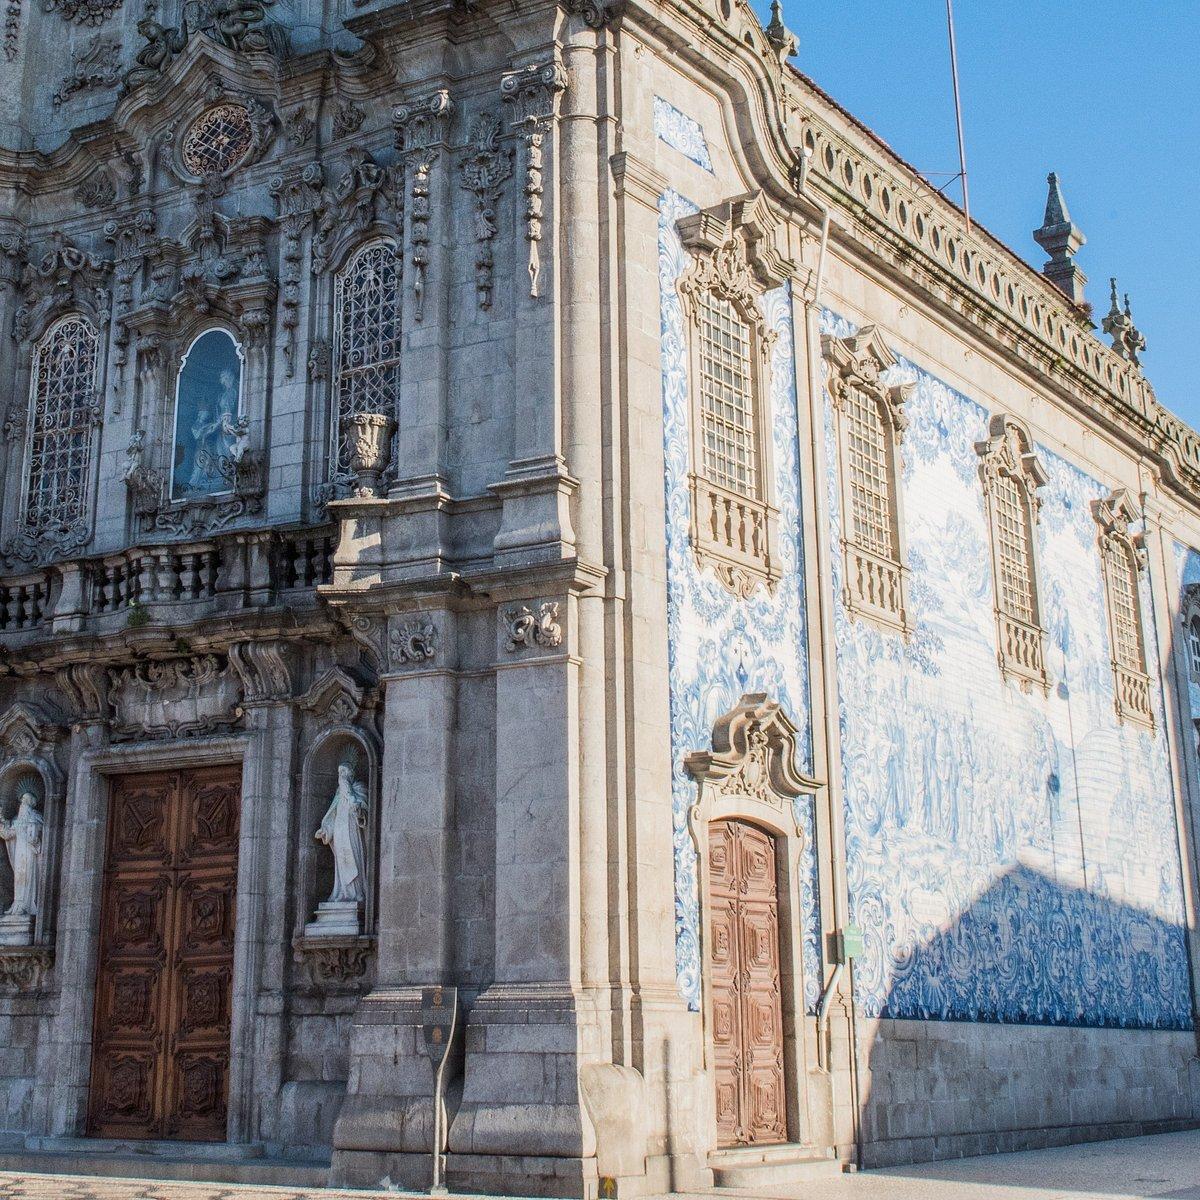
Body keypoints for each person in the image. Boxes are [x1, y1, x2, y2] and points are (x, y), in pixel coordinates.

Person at [315, 753, 368, 906]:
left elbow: (363, 810)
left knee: (355, 858)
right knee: (342, 863)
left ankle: (357, 893)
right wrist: (326, 830)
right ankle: (342, 892)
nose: (341, 776)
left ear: (351, 773)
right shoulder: (339, 794)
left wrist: (358, 808)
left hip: (353, 831)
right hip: (339, 832)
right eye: (339, 773)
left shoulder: (359, 788)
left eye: (344, 772)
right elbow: (333, 814)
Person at [0, 789, 43, 920]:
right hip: (19, 854)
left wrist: (35, 839)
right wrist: (1, 821)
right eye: (22, 800)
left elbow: (40, 836)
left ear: (32, 802)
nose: (23, 803)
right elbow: (7, 834)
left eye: (26, 800)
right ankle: (18, 904)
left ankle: (28, 905)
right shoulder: (17, 820)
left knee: (28, 876)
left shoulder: (36, 817)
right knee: (19, 878)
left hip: (31, 854)